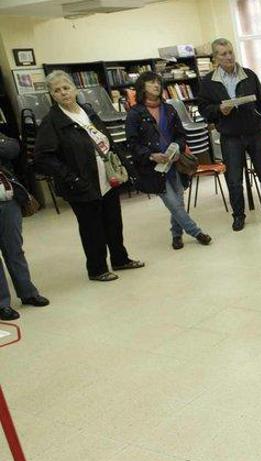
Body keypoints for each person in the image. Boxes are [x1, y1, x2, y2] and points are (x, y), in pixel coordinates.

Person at [35, 70, 144, 282]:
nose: (63, 93)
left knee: (113, 221)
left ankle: (120, 259)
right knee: (91, 227)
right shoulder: (52, 121)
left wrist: (128, 168)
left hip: (107, 176)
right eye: (57, 90)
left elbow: (108, 141)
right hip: (81, 183)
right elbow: (43, 157)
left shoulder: (87, 111)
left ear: (75, 89)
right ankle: (97, 269)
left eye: (66, 88)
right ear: (52, 95)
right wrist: (71, 178)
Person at [197, 38, 261, 232]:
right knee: (234, 179)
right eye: (223, 54)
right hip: (230, 136)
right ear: (215, 58)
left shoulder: (249, 75)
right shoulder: (208, 82)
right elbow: (204, 109)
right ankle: (238, 215)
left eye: (230, 52)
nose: (229, 56)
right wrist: (219, 109)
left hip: (254, 133)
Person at [125, 71, 212, 250]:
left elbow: (181, 135)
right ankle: (196, 232)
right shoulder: (135, 113)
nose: (156, 85)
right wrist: (151, 155)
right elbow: (132, 144)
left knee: (178, 202)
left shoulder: (169, 109)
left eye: (158, 82)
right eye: (151, 83)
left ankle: (176, 235)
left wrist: (178, 148)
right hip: (155, 167)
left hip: (175, 163)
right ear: (142, 87)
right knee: (172, 202)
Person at [0, 134, 49, 320]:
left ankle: (28, 293)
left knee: (15, 249)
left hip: (7, 199)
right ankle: (2, 303)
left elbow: (12, 148)